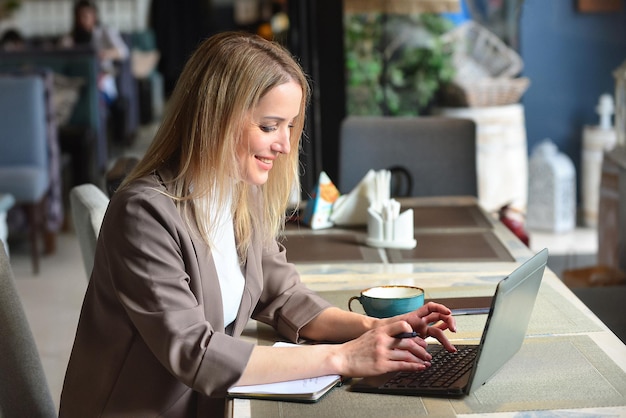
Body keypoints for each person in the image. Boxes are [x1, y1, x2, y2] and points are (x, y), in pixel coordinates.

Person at [59, 31, 457, 417]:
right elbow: (194, 352)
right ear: (215, 118)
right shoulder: (144, 215)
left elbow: (283, 295)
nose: (284, 145)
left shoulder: (238, 190)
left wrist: (375, 327)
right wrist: (342, 356)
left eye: (289, 126)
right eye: (269, 126)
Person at [60, 0, 129, 103]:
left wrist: (104, 54)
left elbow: (123, 51)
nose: (83, 19)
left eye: (86, 15)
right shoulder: (72, 37)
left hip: (102, 79)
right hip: (78, 79)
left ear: (94, 15)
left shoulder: (105, 32)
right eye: (80, 16)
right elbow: (61, 52)